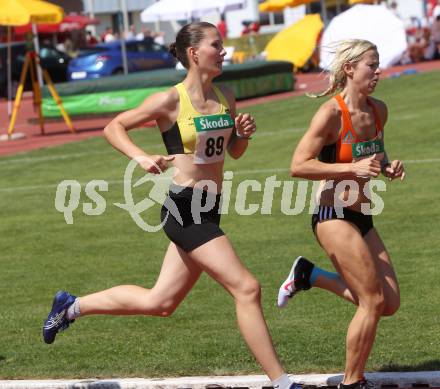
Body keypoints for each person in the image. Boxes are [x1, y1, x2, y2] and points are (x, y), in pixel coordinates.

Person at [42, 22, 300, 389]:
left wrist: (241, 134)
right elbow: (113, 127)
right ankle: (282, 382)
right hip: (184, 208)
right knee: (247, 287)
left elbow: (232, 153)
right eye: (217, 45)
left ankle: (70, 307)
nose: (224, 51)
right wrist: (141, 157)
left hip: (210, 207)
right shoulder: (171, 100)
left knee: (160, 302)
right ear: (194, 54)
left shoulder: (227, 95)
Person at [277, 40, 405, 389]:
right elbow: (298, 165)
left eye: (378, 66)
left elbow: (374, 156)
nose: (377, 72)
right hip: (332, 214)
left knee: (388, 302)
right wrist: (352, 169)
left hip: (362, 214)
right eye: (371, 66)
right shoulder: (331, 114)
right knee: (372, 300)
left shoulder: (379, 110)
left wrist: (388, 167)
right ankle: (352, 381)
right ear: (350, 69)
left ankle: (309, 275)